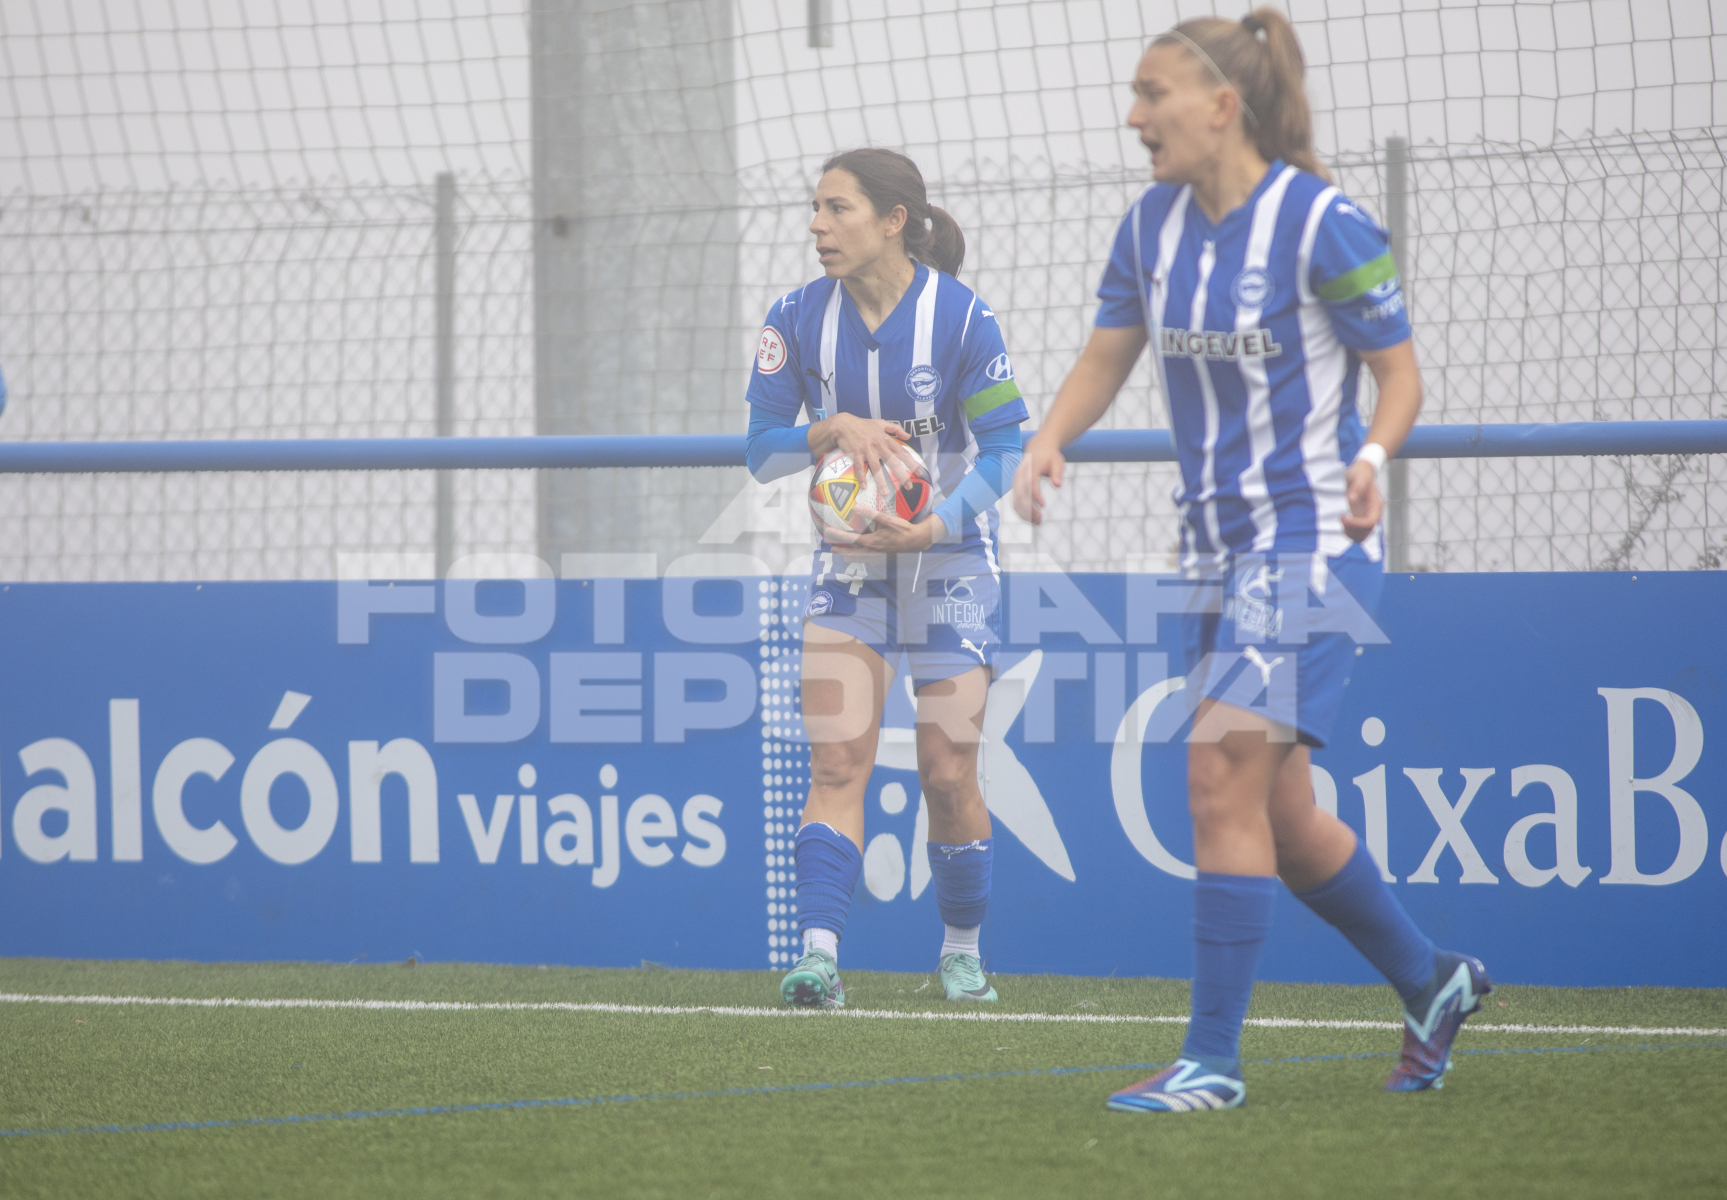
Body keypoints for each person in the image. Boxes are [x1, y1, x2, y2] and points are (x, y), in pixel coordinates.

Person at [1013, 10, 1490, 1112]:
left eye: (1151, 95)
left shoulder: (1323, 221)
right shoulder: (1149, 227)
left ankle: (1211, 1064)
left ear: (1221, 106)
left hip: (1308, 544)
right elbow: (1106, 353)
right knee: (1278, 816)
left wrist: (1372, 455)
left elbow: (1400, 375)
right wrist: (1048, 438)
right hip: (1210, 553)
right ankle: (1432, 982)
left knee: (1214, 769)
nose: (1132, 117)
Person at [745, 148, 1028, 1008]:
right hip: (850, 566)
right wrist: (829, 428)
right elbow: (761, 454)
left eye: (837, 208)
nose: (816, 226)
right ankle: (819, 960)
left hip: (947, 559)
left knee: (946, 770)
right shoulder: (795, 318)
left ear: (893, 220)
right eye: (816, 208)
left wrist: (935, 525)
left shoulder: (962, 317)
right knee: (836, 761)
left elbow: (1003, 450)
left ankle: (961, 955)